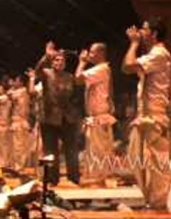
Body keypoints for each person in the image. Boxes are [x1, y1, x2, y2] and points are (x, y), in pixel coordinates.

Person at [122, 17, 171, 209]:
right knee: (142, 163)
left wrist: (134, 43)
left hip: (154, 118)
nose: (140, 30)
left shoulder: (159, 54)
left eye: (144, 29)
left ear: (154, 33)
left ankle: (158, 208)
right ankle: (153, 205)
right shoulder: (155, 54)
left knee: (157, 166)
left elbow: (127, 65)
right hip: (146, 117)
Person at [32, 42, 82, 186]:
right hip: (49, 118)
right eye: (56, 60)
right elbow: (37, 70)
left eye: (62, 60)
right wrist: (46, 56)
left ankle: (74, 178)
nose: (59, 62)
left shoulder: (70, 77)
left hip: (68, 117)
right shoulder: (46, 73)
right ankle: (53, 179)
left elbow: (75, 96)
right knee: (50, 150)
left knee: (71, 149)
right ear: (52, 62)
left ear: (65, 63)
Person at [75, 42, 116, 184]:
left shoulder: (100, 69)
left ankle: (98, 181)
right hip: (97, 116)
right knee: (96, 150)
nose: (89, 55)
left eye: (92, 52)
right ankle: (98, 179)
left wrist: (81, 62)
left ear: (100, 54)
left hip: (99, 116)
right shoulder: (103, 69)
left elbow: (78, 79)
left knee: (97, 151)